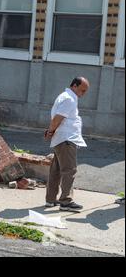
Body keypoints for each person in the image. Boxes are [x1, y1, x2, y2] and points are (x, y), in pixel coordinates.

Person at [44, 77, 90, 212]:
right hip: (66, 139)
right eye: (82, 90)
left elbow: (56, 118)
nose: (83, 94)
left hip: (61, 139)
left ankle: (50, 200)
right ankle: (66, 201)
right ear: (74, 86)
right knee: (69, 170)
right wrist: (50, 131)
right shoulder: (69, 99)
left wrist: (50, 131)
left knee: (56, 171)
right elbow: (58, 118)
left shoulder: (64, 97)